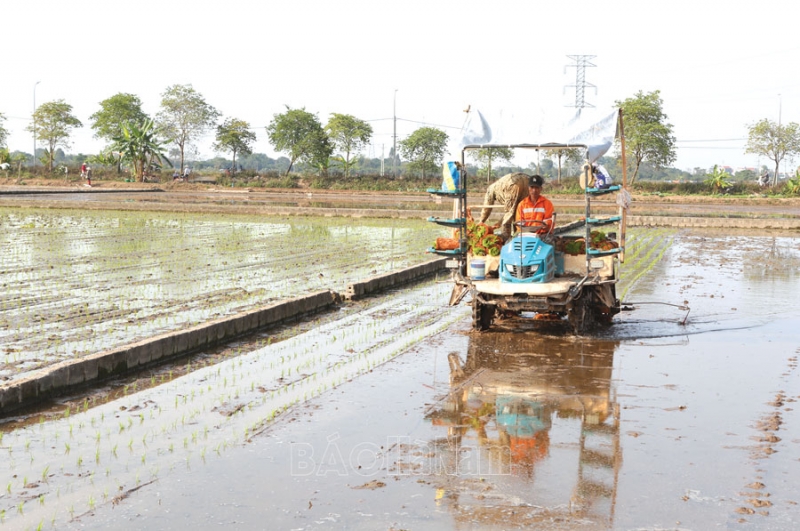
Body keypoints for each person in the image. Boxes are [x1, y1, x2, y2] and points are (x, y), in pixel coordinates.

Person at [478, 172, 530, 240]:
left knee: (513, 212)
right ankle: (521, 235)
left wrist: (481, 222)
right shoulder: (499, 185)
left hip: (513, 182)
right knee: (521, 209)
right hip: (527, 179)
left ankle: (506, 236)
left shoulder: (491, 189)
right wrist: (499, 222)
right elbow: (513, 209)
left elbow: (486, 208)